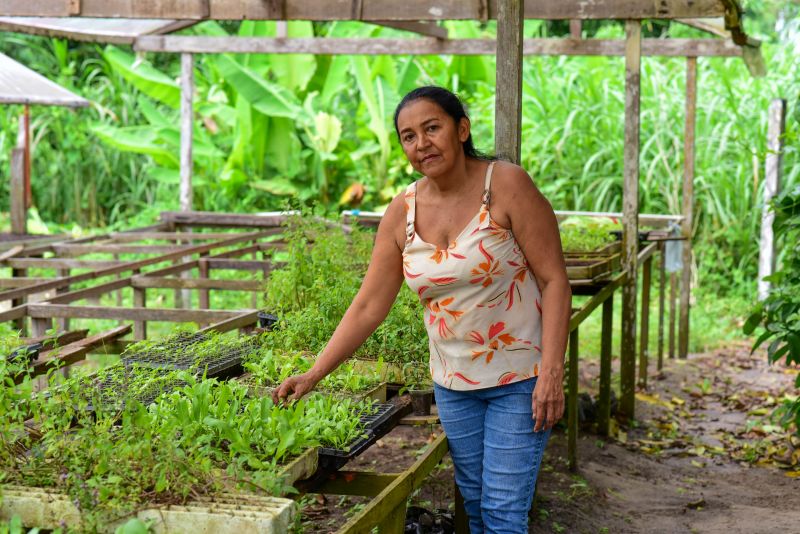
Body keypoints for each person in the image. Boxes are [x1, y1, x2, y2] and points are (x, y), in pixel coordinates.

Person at [274, 86, 571, 533]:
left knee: (504, 514)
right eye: (409, 136)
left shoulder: (506, 186)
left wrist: (552, 372)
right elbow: (369, 305)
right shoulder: (403, 211)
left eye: (432, 128)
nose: (421, 144)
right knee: (474, 505)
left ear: (461, 129)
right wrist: (314, 373)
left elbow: (554, 280)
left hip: (520, 381)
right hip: (453, 385)